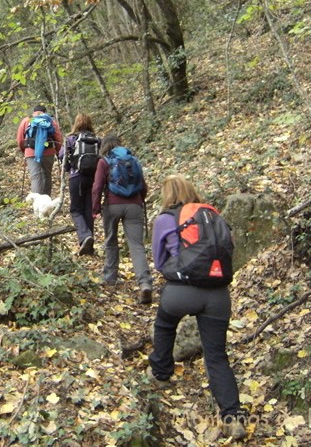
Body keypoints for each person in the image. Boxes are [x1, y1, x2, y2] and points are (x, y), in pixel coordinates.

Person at [146, 174, 248, 440]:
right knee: (217, 356)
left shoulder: (165, 219)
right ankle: (232, 416)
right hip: (218, 295)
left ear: (166, 194)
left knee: (165, 325)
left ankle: (161, 372)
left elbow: (159, 261)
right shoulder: (212, 214)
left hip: (181, 291)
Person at [91, 133, 152, 303]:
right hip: (135, 206)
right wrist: (139, 200)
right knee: (136, 245)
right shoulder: (132, 160)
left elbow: (97, 186)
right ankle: (144, 283)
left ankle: (110, 277)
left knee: (111, 241)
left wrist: (95, 208)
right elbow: (143, 186)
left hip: (112, 205)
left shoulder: (104, 162)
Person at [59, 113, 100, 255]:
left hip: (76, 177)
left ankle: (85, 236)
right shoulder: (97, 139)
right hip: (93, 178)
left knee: (76, 210)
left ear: (76, 123)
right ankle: (89, 246)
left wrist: (68, 167)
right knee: (89, 210)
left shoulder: (71, 139)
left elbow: (62, 155)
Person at [16, 105, 63, 196]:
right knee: (47, 176)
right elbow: (58, 138)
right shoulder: (51, 120)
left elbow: (20, 140)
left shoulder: (26, 120)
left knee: (36, 177)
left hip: (31, 152)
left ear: (33, 112)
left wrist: (24, 150)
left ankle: (37, 202)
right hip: (48, 152)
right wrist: (58, 151)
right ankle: (47, 200)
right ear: (45, 112)